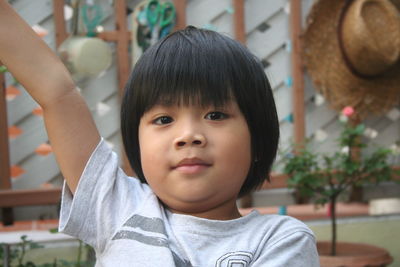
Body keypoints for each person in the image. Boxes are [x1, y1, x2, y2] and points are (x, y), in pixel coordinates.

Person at [0, 1, 319, 266]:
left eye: (216, 114)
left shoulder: (280, 239)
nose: (189, 135)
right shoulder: (115, 205)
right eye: (165, 119)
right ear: (137, 143)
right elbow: (57, 94)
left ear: (258, 140)